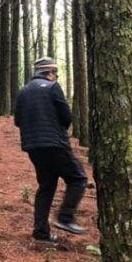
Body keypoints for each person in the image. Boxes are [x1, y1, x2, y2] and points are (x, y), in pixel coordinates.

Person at [14, 56, 87, 243]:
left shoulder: (23, 91)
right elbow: (66, 116)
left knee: (46, 186)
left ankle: (40, 232)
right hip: (55, 144)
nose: (56, 77)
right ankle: (65, 217)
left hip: (32, 147)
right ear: (50, 73)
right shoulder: (53, 88)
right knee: (78, 178)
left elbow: (17, 120)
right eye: (56, 73)